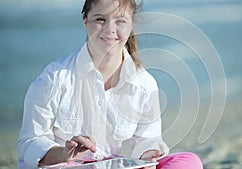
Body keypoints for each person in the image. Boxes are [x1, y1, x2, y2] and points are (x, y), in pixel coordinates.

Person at [17, 0, 203, 168]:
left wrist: (149, 155)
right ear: (85, 21)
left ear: (131, 24)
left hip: (113, 165)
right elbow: (29, 141)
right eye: (100, 19)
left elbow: (147, 140)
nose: (109, 29)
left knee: (188, 161)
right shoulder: (55, 77)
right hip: (70, 166)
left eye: (120, 20)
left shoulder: (145, 84)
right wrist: (64, 154)